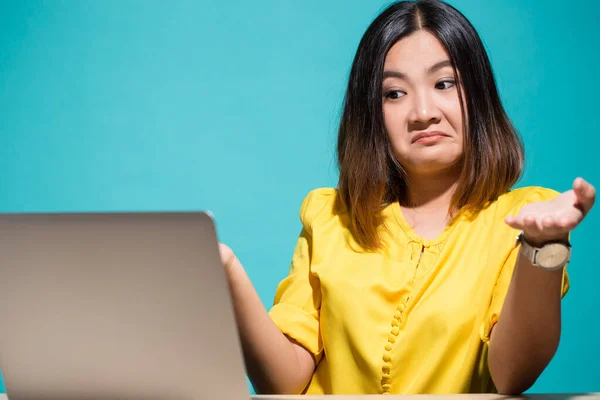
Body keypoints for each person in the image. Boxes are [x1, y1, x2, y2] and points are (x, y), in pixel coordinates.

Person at [219, 0, 596, 395]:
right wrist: (227, 273)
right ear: (372, 115)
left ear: (479, 93)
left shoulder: (520, 219)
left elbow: (511, 374)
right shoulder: (329, 217)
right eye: (394, 93)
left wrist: (541, 248)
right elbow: (282, 382)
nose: (421, 111)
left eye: (444, 84)